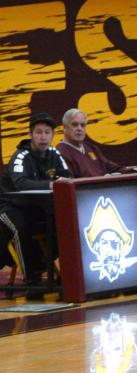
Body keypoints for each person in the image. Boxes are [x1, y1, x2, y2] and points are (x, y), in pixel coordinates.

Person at [0, 111, 72, 287]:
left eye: (47, 132)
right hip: (9, 207)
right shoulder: (20, 156)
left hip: (37, 207)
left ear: (53, 135)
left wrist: (59, 182)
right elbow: (21, 184)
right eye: (39, 132)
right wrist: (51, 184)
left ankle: (68, 274)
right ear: (30, 134)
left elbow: (67, 177)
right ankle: (31, 278)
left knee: (65, 222)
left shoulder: (55, 154)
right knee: (21, 227)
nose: (43, 137)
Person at [57, 108, 122, 177]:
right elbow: (70, 183)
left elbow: (114, 168)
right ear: (64, 128)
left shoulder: (92, 149)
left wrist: (133, 171)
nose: (79, 129)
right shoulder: (59, 153)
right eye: (74, 125)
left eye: (82, 125)